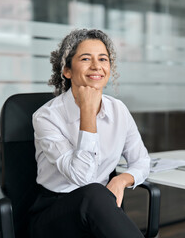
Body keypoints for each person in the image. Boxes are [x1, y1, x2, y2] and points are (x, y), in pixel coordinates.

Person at [29, 29, 150, 238]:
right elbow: (82, 178)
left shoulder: (118, 109)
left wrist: (120, 181)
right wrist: (87, 113)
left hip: (100, 208)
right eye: (86, 58)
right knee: (94, 192)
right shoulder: (46, 117)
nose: (96, 66)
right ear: (67, 70)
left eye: (103, 59)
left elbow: (142, 161)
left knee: (98, 195)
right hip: (54, 215)